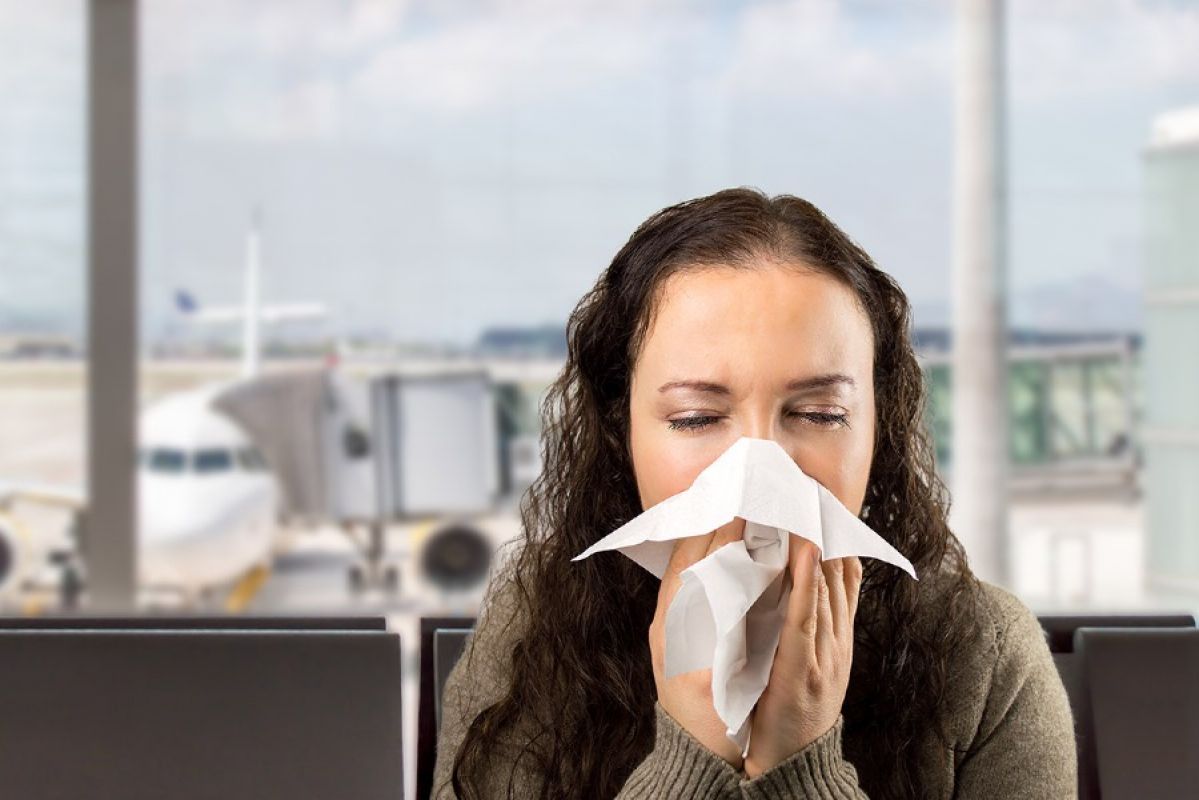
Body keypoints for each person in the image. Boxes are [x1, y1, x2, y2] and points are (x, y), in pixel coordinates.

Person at [432, 187, 1077, 799]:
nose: (758, 478)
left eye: (820, 414)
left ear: (879, 423)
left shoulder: (985, 658)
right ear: (619, 427)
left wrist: (804, 761)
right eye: (696, 419)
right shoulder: (531, 643)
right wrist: (694, 750)